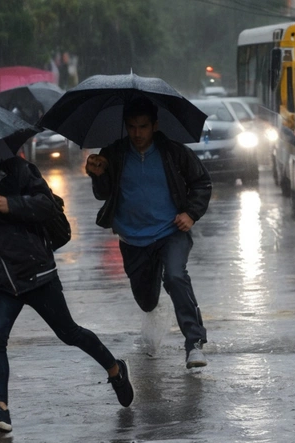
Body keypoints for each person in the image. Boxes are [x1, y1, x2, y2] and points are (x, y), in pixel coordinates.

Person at [0, 140, 134, 433]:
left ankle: (115, 369)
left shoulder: (17, 171)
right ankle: (1, 409)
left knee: (69, 332)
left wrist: (13, 204)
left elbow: (47, 205)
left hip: (36, 273)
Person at [85, 97, 212, 369]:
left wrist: (191, 213)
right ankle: (155, 298)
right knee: (146, 301)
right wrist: (97, 174)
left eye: (143, 126)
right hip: (133, 239)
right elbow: (103, 194)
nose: (137, 133)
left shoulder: (174, 152)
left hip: (170, 232)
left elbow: (201, 181)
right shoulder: (113, 153)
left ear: (154, 125)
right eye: (131, 127)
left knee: (176, 276)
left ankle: (194, 343)